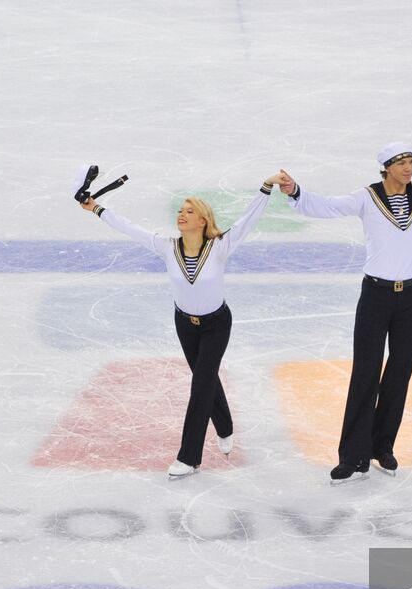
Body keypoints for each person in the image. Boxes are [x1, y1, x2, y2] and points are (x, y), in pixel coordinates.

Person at [277, 108, 412, 484]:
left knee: (400, 373)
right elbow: (326, 206)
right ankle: (352, 455)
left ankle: (382, 446)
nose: (408, 168)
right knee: (365, 373)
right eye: (401, 162)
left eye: (410, 161)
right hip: (375, 297)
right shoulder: (366, 198)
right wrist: (296, 193)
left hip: (411, 297)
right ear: (386, 167)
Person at [81, 175, 280, 480]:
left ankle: (190, 457)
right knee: (206, 379)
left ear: (203, 220)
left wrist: (265, 188)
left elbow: (247, 221)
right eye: (180, 210)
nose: (181, 215)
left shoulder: (220, 246)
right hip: (185, 324)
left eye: (189, 211)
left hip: (216, 325)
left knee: (200, 386)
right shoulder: (166, 246)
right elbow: (129, 228)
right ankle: (225, 426)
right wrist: (96, 209)